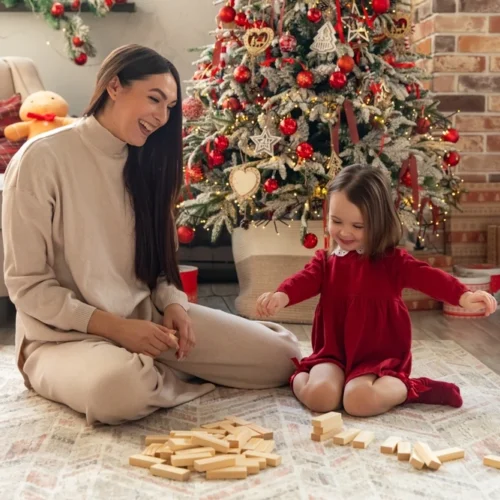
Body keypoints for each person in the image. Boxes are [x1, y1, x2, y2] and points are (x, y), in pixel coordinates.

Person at [2, 44, 301, 426]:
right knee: (117, 391)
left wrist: (174, 305)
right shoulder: (41, 159)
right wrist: (117, 330)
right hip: (60, 338)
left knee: (283, 356)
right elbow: (28, 286)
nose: (162, 117)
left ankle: (150, 370)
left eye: (170, 107)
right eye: (154, 99)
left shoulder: (148, 161)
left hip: (148, 320)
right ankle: (144, 373)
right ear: (114, 86)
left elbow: (160, 267)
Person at [257, 164, 497, 417]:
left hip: (379, 360)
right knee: (321, 397)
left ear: (378, 223)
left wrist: (464, 296)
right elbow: (304, 280)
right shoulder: (327, 261)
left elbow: (429, 278)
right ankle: (298, 374)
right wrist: (281, 295)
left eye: (358, 226)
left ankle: (413, 388)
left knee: (359, 401)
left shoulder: (393, 262)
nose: (345, 232)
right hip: (334, 354)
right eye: (336, 221)